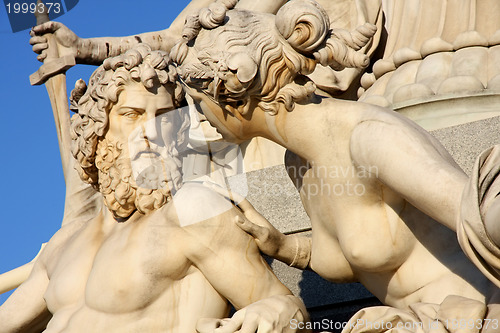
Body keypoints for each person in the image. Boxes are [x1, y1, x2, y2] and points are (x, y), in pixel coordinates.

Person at [170, 0, 500, 330]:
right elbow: (352, 254)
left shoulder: (369, 139)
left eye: (200, 104)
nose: (200, 117)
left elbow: (479, 217)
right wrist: (284, 247)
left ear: (233, 96)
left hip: (470, 316)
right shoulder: (297, 161)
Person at [0, 44, 309, 333]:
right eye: (132, 114)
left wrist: (270, 314)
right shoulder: (65, 242)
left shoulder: (194, 211)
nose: (150, 131)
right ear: (98, 129)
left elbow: (284, 306)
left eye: (163, 117)